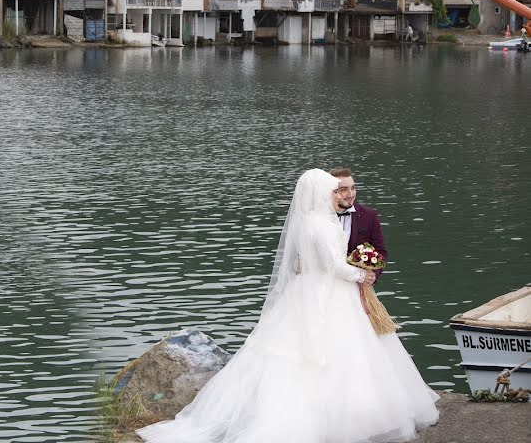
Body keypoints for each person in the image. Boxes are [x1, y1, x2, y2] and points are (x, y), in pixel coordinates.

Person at [137, 169, 439, 443]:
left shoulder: (308, 221)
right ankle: (333, 418)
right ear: (321, 194)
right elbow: (334, 266)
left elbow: (307, 262)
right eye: (333, 191)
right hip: (330, 292)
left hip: (308, 290)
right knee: (340, 351)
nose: (339, 195)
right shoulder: (320, 224)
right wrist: (364, 274)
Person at [330, 166, 387, 281]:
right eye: (344, 189)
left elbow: (381, 252)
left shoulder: (369, 216)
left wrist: (373, 275)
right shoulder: (318, 219)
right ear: (332, 192)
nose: (351, 194)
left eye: (353, 188)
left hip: (357, 286)